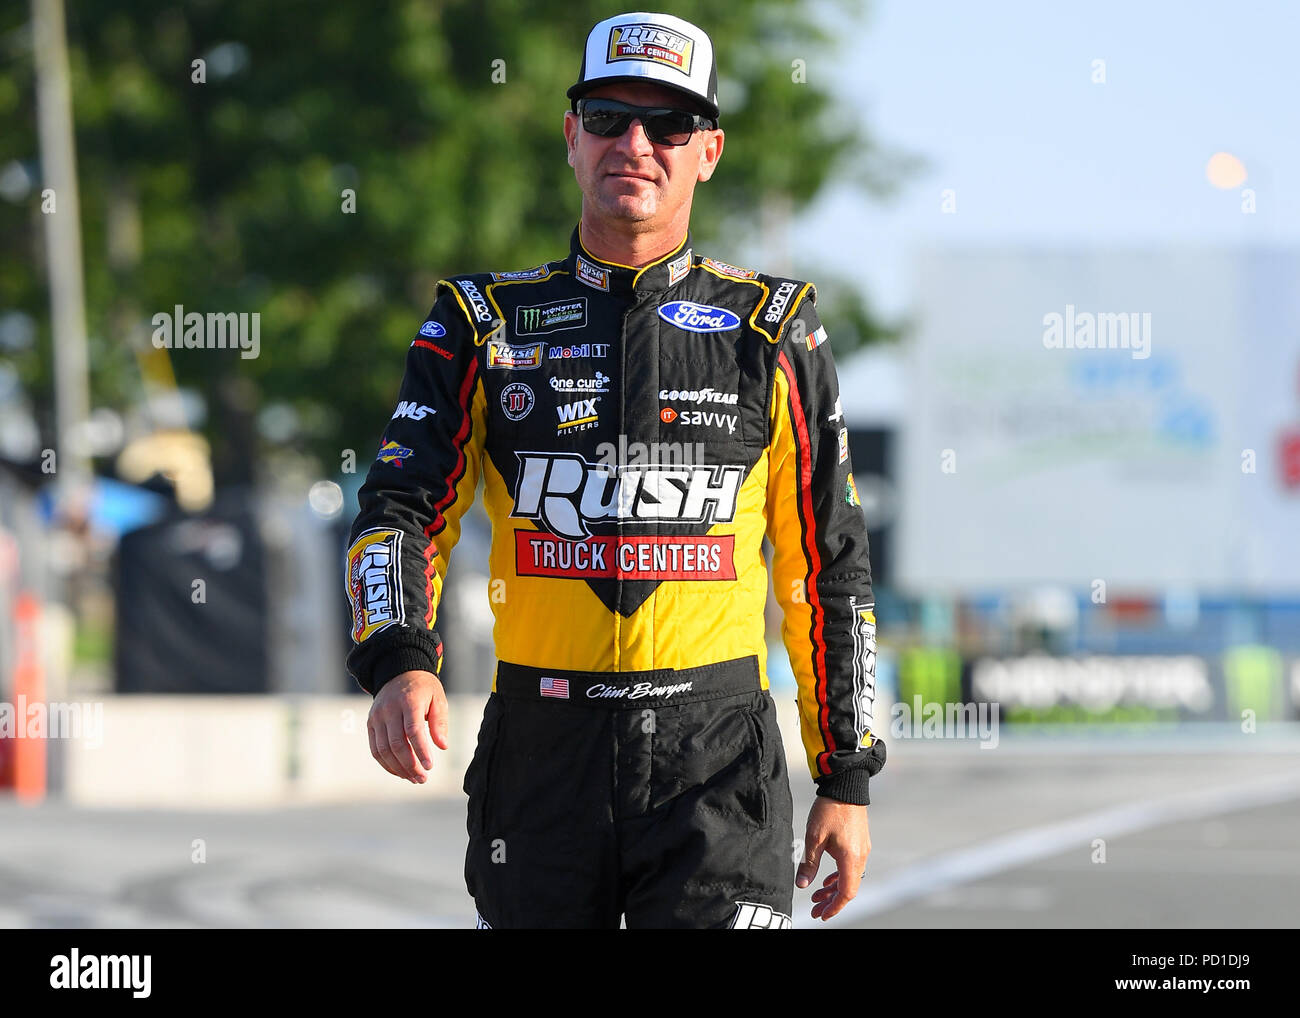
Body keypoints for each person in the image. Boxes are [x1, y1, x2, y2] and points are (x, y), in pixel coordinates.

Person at [344, 10, 885, 929]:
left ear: (708, 150)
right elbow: (400, 506)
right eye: (606, 117)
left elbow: (827, 565)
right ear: (570, 136)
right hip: (542, 757)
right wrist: (400, 660)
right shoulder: (480, 324)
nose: (634, 144)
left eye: (668, 125)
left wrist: (845, 772)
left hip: (718, 763)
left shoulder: (775, 332)